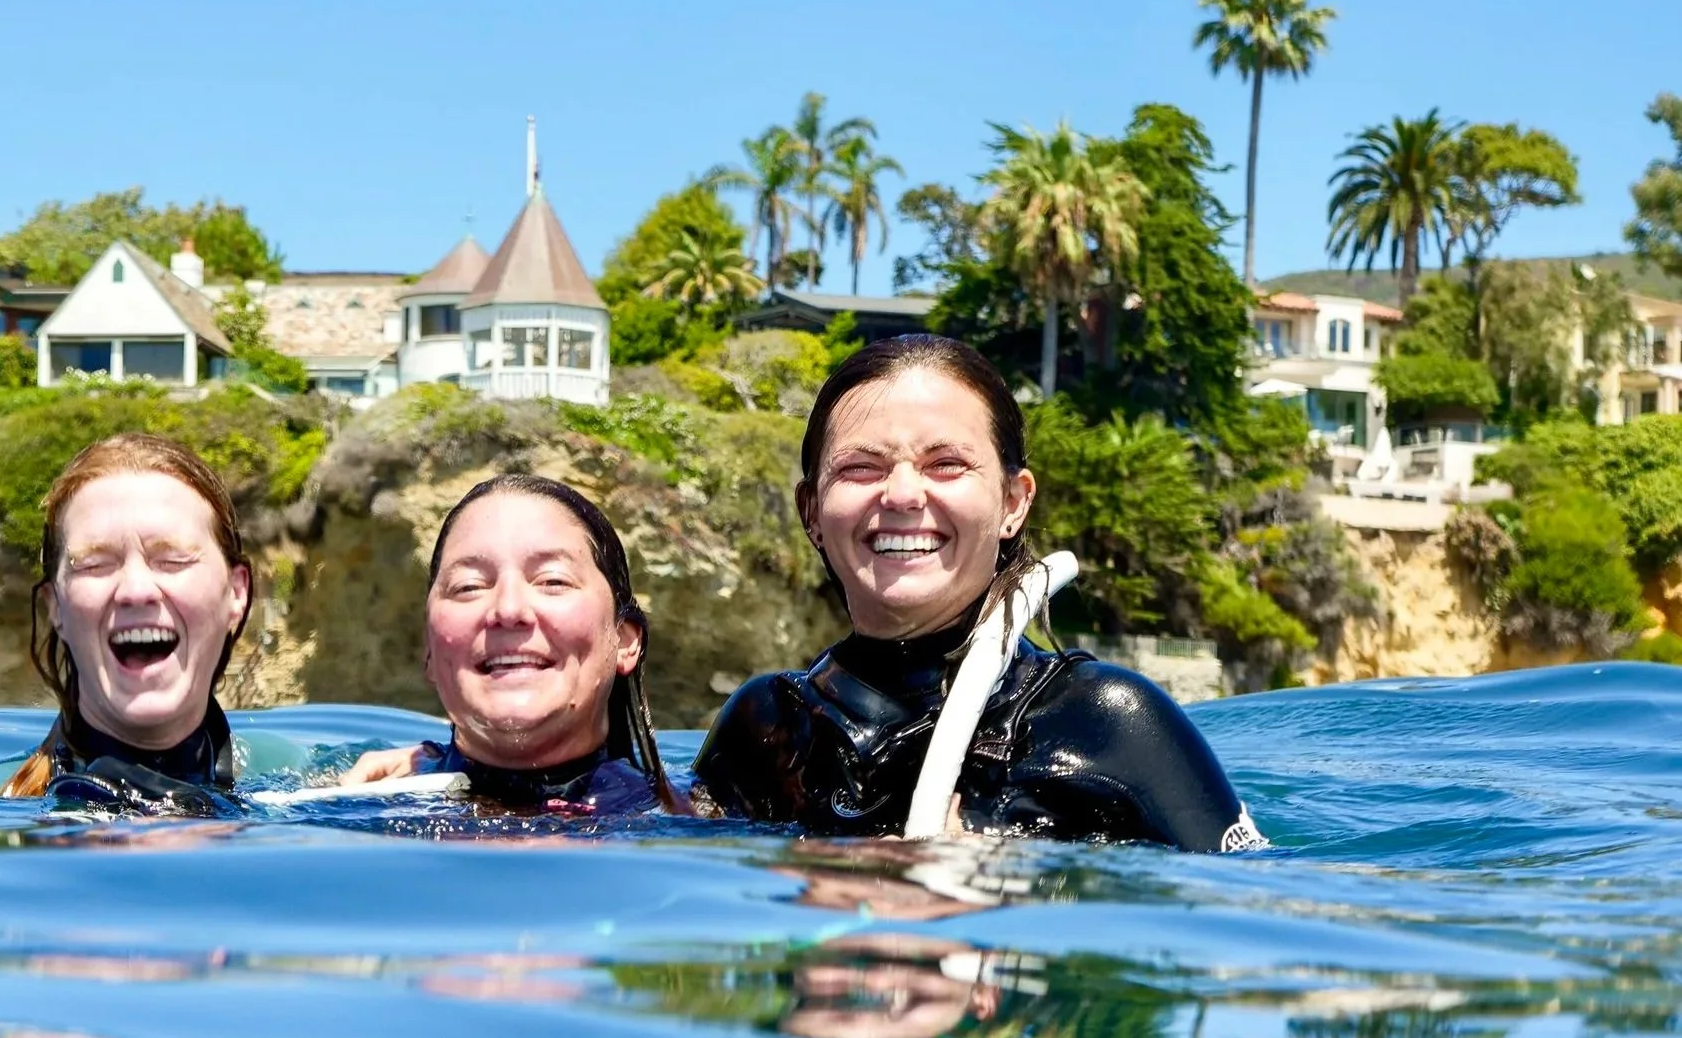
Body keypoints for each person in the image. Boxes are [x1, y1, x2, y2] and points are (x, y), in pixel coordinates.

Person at [690, 334, 1263, 851]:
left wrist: (1012, 877)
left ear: (1013, 502)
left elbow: (1251, 914)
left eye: (946, 464)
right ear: (811, 511)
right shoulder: (769, 727)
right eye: (861, 468)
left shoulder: (1107, 720)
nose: (902, 495)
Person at [341, 474, 682, 816]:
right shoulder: (362, 805)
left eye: (553, 580)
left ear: (624, 641)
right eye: (468, 586)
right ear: (429, 650)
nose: (508, 609)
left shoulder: (707, 813)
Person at [0, 433, 252, 812]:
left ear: (236, 593)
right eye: (95, 564)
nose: (135, 590)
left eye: (173, 559)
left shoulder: (302, 776)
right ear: (55, 607)